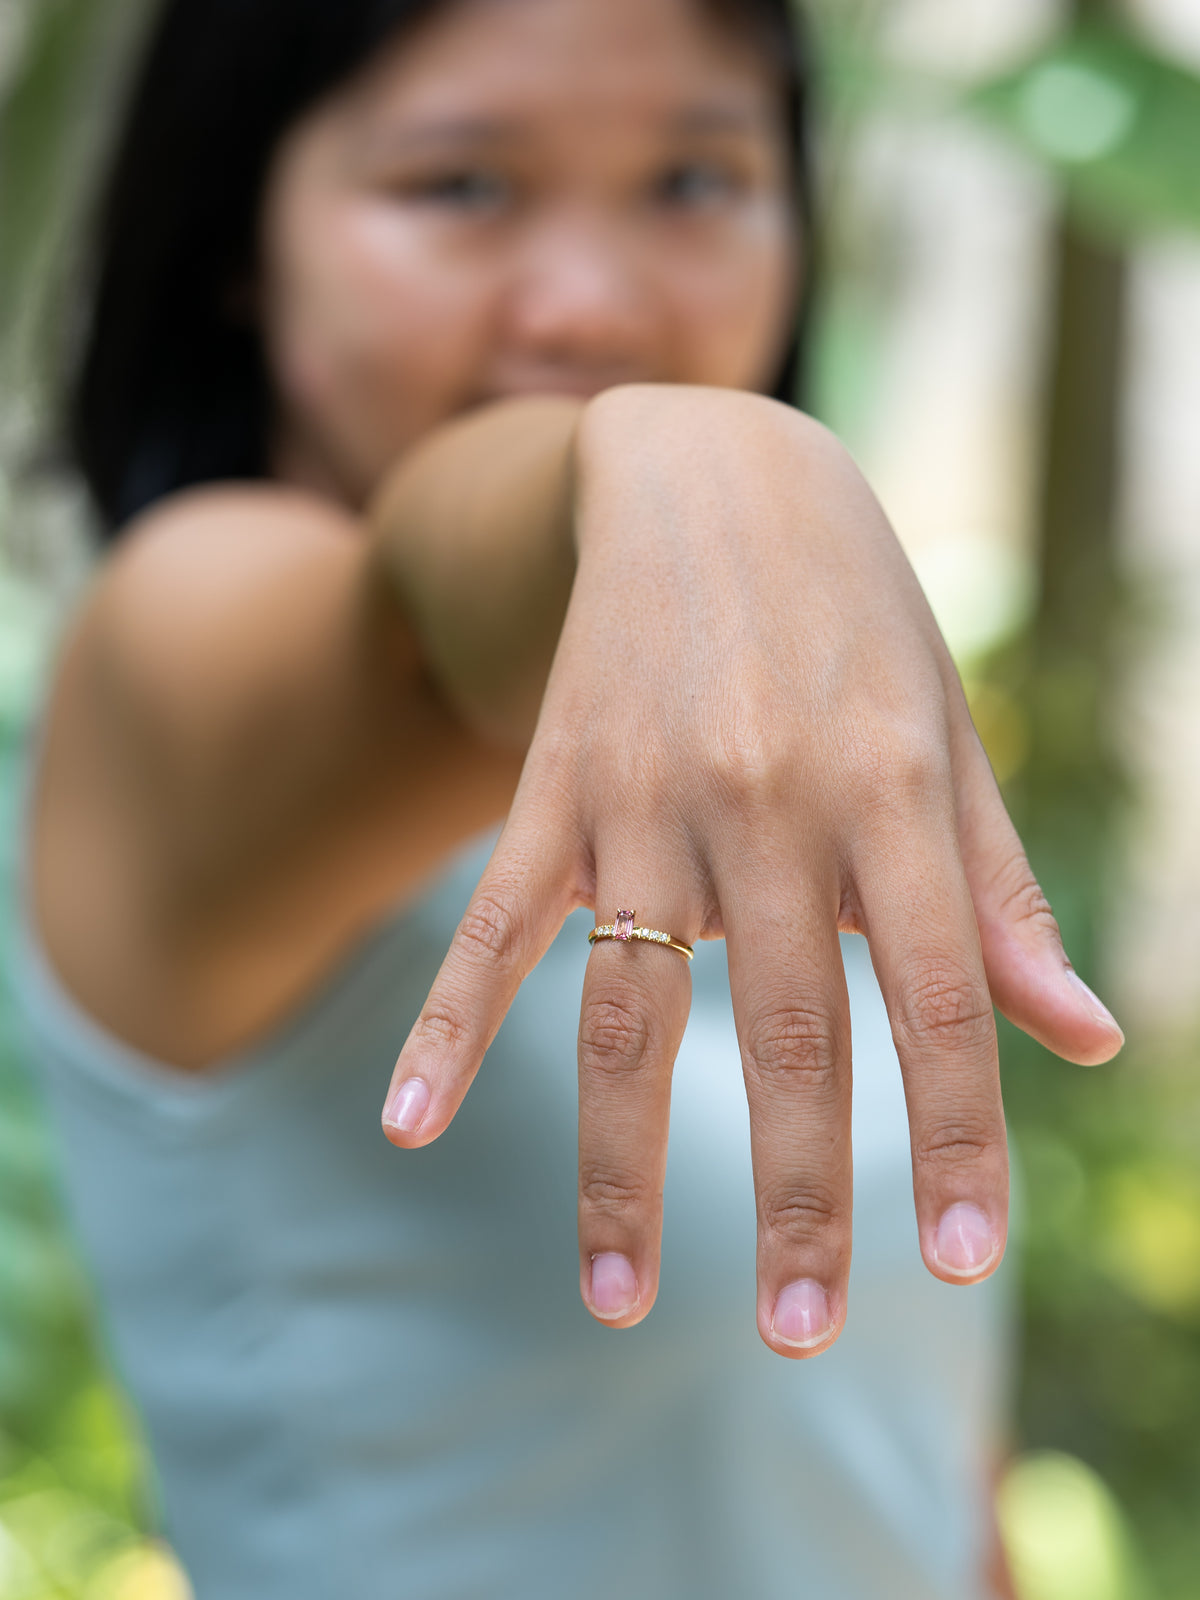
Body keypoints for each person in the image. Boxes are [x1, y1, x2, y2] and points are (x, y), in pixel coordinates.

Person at [8, 0, 1125, 1594]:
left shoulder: (779, 734)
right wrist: (681, 459)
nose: (592, 306)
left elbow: (907, 1454)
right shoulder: (180, 649)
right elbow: (420, 608)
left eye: (694, 181)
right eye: (459, 185)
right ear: (240, 232)